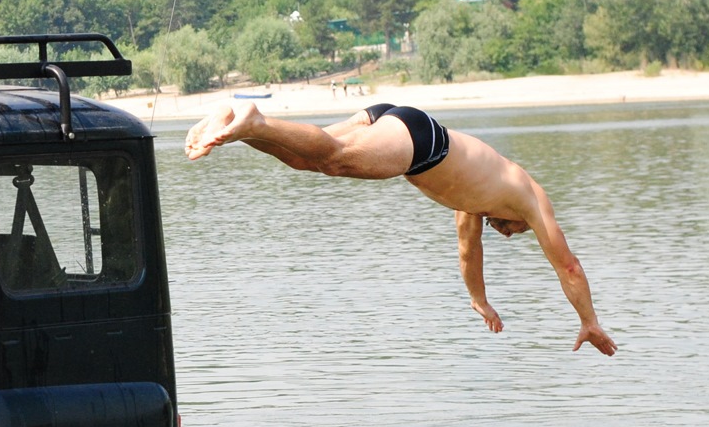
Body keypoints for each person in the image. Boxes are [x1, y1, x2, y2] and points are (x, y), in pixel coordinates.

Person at [186, 101, 616, 356]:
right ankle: (256, 120)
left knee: (309, 159)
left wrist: (480, 301)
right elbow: (569, 266)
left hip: (403, 126)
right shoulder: (528, 196)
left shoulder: (474, 204)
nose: (507, 233)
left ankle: (234, 127)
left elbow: (468, 253)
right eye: (516, 232)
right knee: (336, 159)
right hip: (424, 142)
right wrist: (589, 320)